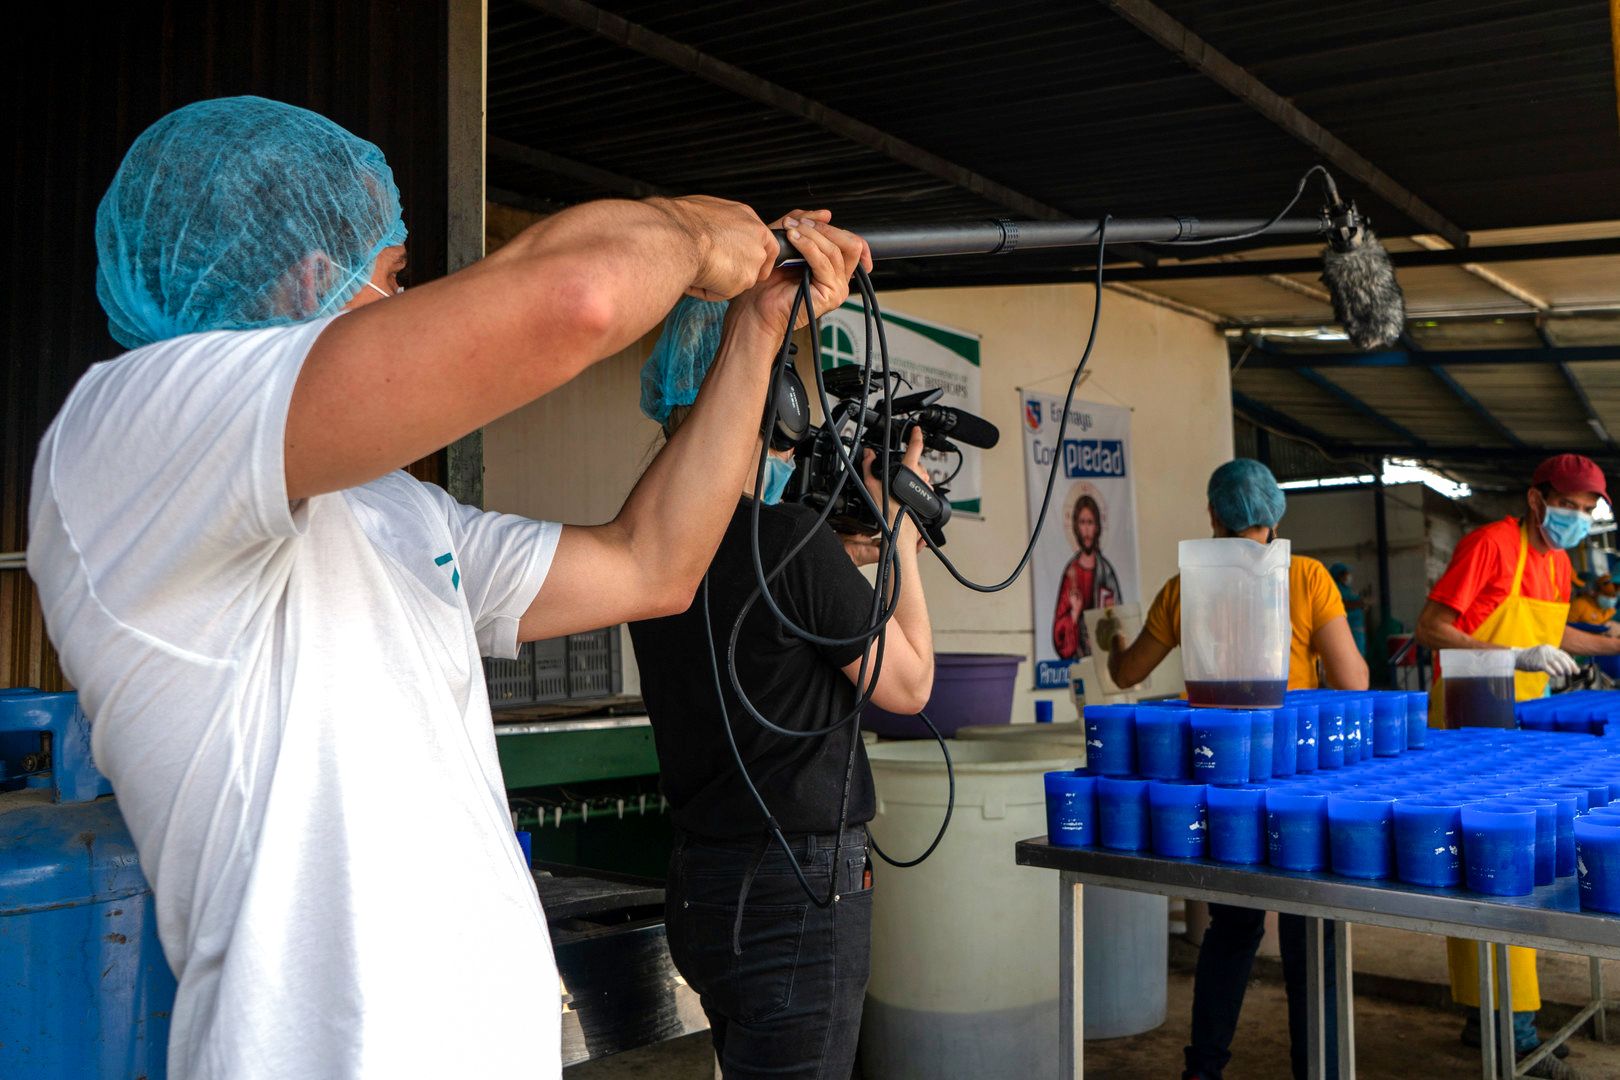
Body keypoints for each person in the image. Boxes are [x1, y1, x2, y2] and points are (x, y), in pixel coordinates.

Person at [26, 96, 870, 1079]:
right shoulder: (132, 433)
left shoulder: (390, 509)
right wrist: (692, 233)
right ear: (310, 277)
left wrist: (756, 328)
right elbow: (578, 298)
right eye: (393, 275)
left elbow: (653, 564)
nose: (408, 301)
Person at [628, 296, 934, 1080]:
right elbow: (910, 684)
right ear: (770, 406)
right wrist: (900, 535)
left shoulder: (641, 541)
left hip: (701, 886)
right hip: (792, 893)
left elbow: (759, 606)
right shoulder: (791, 543)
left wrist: (831, 557)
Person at [1097, 458, 1368, 1080]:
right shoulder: (1307, 577)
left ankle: (1204, 1069)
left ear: (1213, 515)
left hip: (1223, 779)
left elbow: (1128, 673)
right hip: (1298, 777)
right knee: (1309, 930)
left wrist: (1112, 642)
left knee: (1233, 925)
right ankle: (1317, 1068)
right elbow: (1353, 681)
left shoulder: (1184, 586)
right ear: (1275, 516)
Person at [1417, 453, 1620, 1078]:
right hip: (1471, 721)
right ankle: (1517, 1035)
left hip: (1524, 728)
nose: (1577, 519)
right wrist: (1512, 655)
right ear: (1537, 500)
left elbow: (1550, 639)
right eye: (1568, 506)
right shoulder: (1490, 545)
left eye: (1587, 510)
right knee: (1501, 872)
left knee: (1504, 869)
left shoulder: (1558, 563)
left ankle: (1487, 1018)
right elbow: (1432, 628)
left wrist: (1611, 644)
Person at [1052, 493, 1123, 659]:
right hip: (1078, 657)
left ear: (1097, 526)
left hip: (1103, 655)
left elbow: (1119, 618)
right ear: (1076, 527)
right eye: (1082, 523)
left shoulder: (1106, 572)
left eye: (1090, 522)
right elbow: (1059, 636)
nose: (1086, 530)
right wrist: (1074, 614)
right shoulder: (1071, 573)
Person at [1329, 561, 1369, 656]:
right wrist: (1360, 604)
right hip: (1349, 630)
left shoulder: (1347, 590)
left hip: (1357, 630)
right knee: (1352, 655)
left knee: (1359, 655)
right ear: (1339, 575)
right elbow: (1341, 604)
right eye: (1346, 574)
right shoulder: (1336, 589)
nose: (1348, 576)